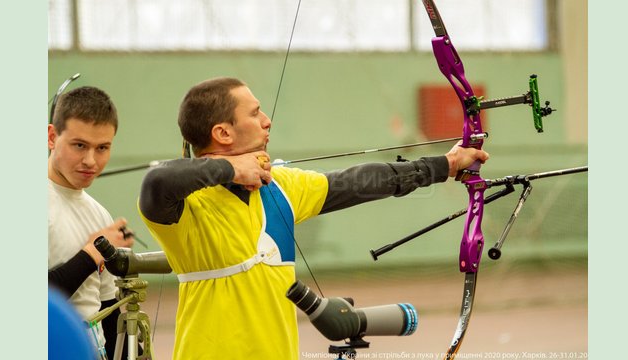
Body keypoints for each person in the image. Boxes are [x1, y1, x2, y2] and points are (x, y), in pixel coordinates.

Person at [138, 77, 489, 360]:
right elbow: (157, 183)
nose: (266, 120)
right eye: (255, 113)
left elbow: (359, 181)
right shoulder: (190, 207)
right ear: (223, 133)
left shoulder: (280, 187)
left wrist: (443, 166)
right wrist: (230, 167)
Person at [47, 86, 136, 358]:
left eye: (102, 148)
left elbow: (107, 309)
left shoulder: (99, 214)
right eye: (79, 145)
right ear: (52, 137)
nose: (91, 161)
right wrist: (91, 254)